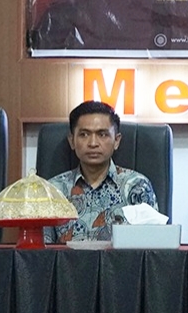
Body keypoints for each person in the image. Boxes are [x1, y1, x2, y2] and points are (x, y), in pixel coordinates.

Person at [44, 101, 158, 243]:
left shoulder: (137, 186)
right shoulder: (52, 190)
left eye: (102, 135)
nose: (93, 143)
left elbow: (152, 244)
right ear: (72, 140)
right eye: (84, 134)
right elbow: (41, 251)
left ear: (116, 141)